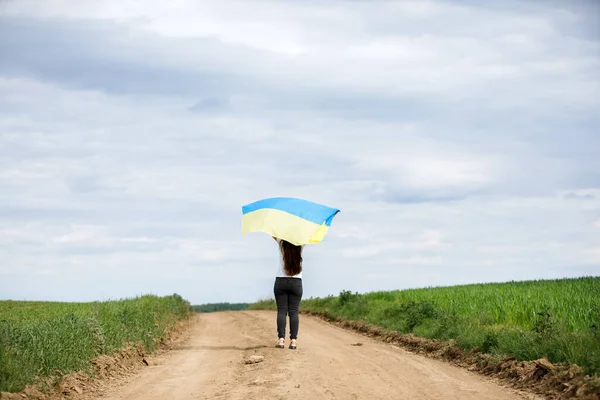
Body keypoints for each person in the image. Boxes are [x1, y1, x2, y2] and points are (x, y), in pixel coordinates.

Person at [272, 236, 304, 350]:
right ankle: (293, 341)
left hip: (281, 281)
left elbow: (272, 231)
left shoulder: (282, 242)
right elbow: (312, 233)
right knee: (294, 312)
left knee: (281, 312)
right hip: (296, 282)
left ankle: (281, 340)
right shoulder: (301, 242)